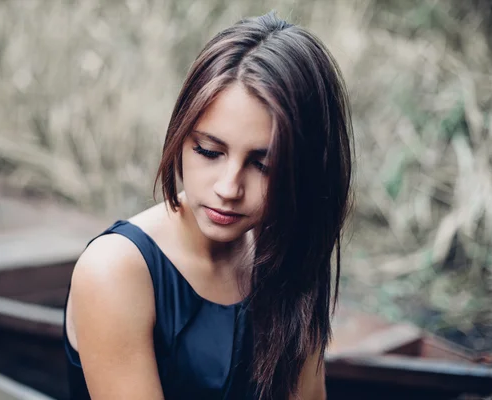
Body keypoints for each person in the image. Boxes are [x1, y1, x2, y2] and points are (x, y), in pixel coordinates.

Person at [63, 11, 353, 400]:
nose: (229, 187)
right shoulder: (115, 271)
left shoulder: (292, 251)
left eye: (263, 165)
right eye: (209, 151)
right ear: (180, 136)